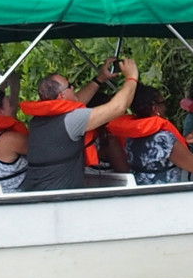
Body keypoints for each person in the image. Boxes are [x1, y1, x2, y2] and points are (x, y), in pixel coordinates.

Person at [19, 57, 140, 191]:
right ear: (61, 96)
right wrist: (131, 78)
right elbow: (117, 108)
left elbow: (76, 102)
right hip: (59, 198)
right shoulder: (72, 120)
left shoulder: (37, 120)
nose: (73, 87)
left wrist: (99, 79)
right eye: (70, 86)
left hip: (36, 192)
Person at [108, 83, 193, 185]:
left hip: (140, 192)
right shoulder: (163, 138)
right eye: (163, 103)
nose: (165, 107)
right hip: (163, 195)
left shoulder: (130, 134)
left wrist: (183, 141)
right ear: (154, 108)